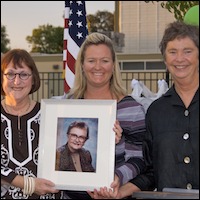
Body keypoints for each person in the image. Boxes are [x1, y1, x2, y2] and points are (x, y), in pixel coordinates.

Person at [90, 21, 199, 198]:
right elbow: (150, 171)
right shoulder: (156, 111)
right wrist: (119, 192)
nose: (180, 58)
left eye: (187, 51)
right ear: (165, 59)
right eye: (172, 52)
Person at [62, 32, 147, 199]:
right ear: (82, 65)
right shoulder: (69, 104)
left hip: (113, 194)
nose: (98, 67)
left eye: (105, 61)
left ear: (113, 65)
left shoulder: (131, 108)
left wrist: (117, 178)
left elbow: (139, 160)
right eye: (91, 60)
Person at [1, 49, 61, 199]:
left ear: (33, 79)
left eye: (24, 74)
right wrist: (27, 184)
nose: (16, 81)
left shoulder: (51, 116)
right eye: (10, 74)